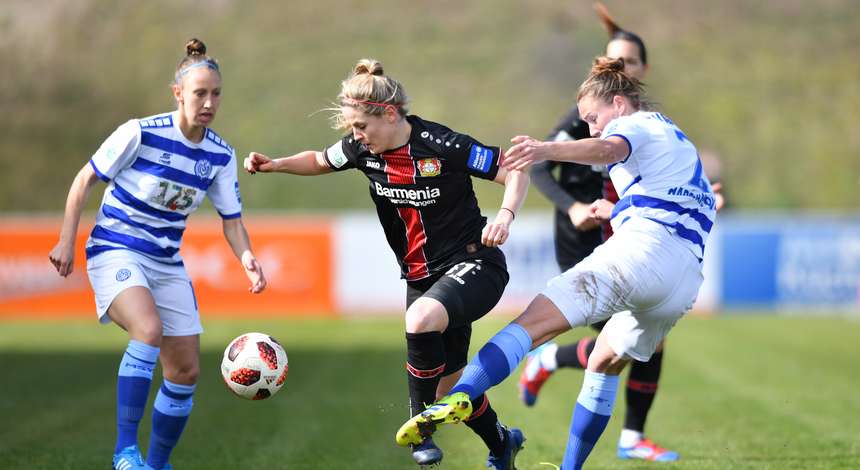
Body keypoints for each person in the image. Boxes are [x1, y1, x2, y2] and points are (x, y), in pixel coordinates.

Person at [395, 56, 717, 470]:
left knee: (532, 323)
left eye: (593, 117)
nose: (592, 127)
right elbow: (677, 201)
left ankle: (464, 393)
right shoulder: (676, 138)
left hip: (643, 254)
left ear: (618, 103)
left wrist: (544, 149)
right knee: (603, 360)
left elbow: (608, 147)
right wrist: (615, 211)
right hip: (683, 282)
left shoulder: (633, 123)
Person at [243, 59, 530, 468]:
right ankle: (502, 442)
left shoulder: (441, 145)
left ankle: (418, 429)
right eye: (352, 130)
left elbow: (513, 170)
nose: (356, 136)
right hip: (420, 277)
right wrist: (276, 164)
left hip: (475, 263)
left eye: (361, 126)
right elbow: (322, 160)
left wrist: (505, 215)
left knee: (419, 320)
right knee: (453, 390)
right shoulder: (362, 149)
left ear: (391, 113)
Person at [48, 39, 267, 470]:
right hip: (116, 248)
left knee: (185, 370)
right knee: (147, 329)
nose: (208, 102)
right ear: (178, 93)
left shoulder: (220, 154)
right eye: (200, 92)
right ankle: (125, 452)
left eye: (216, 94)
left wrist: (247, 257)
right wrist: (64, 239)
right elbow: (84, 180)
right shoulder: (141, 132)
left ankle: (158, 464)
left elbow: (231, 220)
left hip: (166, 262)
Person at [521, 4, 724, 462]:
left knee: (633, 341)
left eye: (631, 62)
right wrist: (573, 207)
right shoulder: (583, 118)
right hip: (587, 236)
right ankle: (552, 366)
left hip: (630, 231)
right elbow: (538, 166)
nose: (624, 68)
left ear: (639, 72)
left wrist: (693, 195)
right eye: (617, 60)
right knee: (617, 343)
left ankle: (625, 429)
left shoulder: (644, 124)